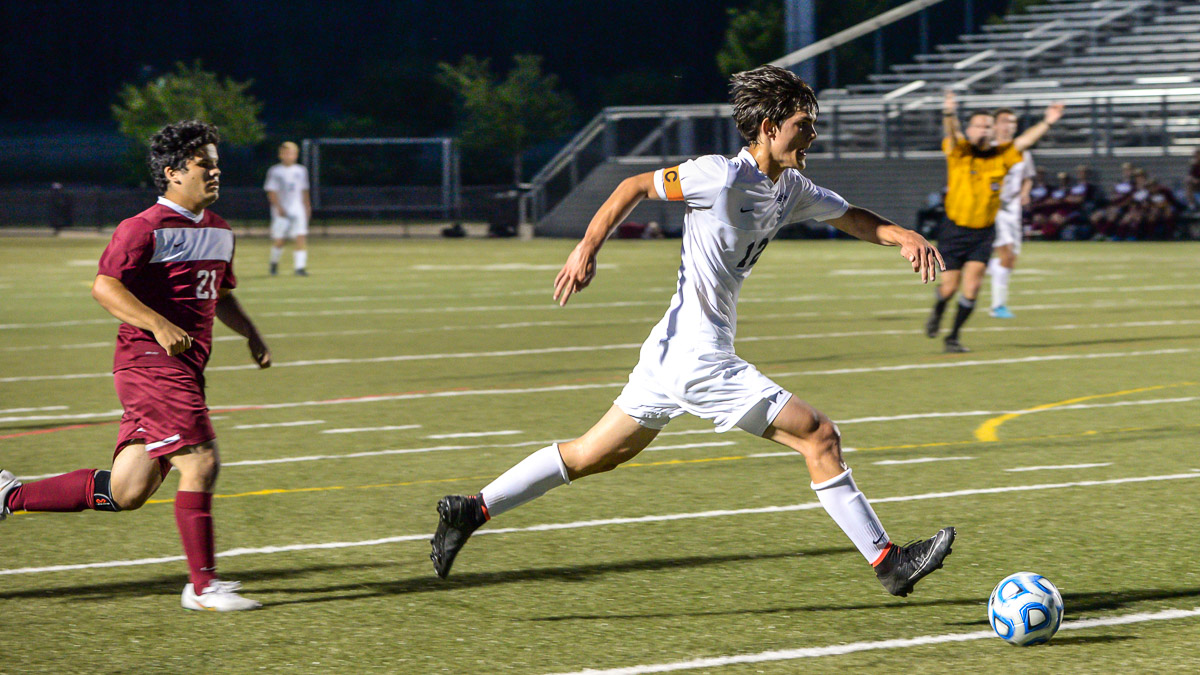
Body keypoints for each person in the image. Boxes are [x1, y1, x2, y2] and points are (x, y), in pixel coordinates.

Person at [429, 65, 955, 598]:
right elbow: (634, 185)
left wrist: (904, 235)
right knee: (818, 435)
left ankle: (471, 510)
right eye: (804, 124)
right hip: (696, 357)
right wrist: (587, 245)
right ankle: (889, 561)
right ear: (771, 126)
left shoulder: (790, 186)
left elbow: (851, 218)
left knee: (593, 454)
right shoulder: (719, 175)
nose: (813, 134)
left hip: (670, 351)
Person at [0, 120, 271, 611]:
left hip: (184, 370)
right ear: (172, 173)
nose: (215, 171)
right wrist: (159, 325)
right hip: (149, 365)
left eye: (216, 162)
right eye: (203, 163)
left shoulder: (219, 230)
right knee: (202, 461)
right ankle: (203, 587)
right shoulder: (142, 228)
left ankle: (9, 495)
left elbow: (221, 294)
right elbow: (106, 286)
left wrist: (251, 334)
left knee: (126, 491)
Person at [926, 91, 1063, 352]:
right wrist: (949, 112)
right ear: (970, 129)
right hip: (954, 229)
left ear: (993, 131)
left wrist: (1048, 122)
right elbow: (952, 133)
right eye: (978, 125)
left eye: (987, 126)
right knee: (949, 287)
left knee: (973, 286)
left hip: (984, 231)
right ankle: (938, 309)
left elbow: (1023, 142)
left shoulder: (1002, 155)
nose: (983, 130)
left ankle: (952, 338)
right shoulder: (960, 151)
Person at [986, 108, 1035, 319]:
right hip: (993, 208)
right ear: (995, 125)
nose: (1010, 126)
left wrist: (1024, 193)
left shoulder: (1022, 151)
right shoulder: (987, 149)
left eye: (1013, 122)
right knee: (1005, 255)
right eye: (1005, 121)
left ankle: (970, 264)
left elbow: (1028, 177)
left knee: (1011, 260)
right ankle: (997, 306)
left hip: (1013, 210)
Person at [264, 141, 311, 276]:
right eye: (285, 153)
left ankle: (299, 268)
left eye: (291, 153)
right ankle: (274, 263)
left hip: (297, 208)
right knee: (280, 240)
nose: (288, 156)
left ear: (296, 155)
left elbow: (304, 190)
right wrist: (278, 207)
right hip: (281, 209)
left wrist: (307, 207)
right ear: (280, 155)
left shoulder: (301, 170)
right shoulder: (275, 171)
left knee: (300, 236)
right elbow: (271, 191)